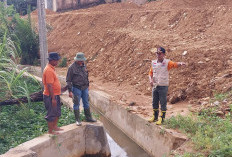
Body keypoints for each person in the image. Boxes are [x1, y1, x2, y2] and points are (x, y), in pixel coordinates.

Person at [148, 47, 186, 125]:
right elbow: (150, 73)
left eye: (160, 53)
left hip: (163, 86)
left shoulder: (167, 63)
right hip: (155, 86)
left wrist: (181, 63)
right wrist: (150, 80)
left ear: (164, 54)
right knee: (154, 102)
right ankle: (155, 117)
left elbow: (175, 64)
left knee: (163, 102)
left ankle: (162, 118)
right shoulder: (154, 63)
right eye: (157, 53)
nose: (158, 55)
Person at [66, 52, 96, 126]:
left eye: (82, 60)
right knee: (76, 104)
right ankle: (78, 120)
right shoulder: (71, 68)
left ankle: (88, 117)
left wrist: (88, 85)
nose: (81, 62)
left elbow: (86, 76)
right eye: (80, 60)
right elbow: (68, 80)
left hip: (85, 88)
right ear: (76, 60)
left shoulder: (84, 66)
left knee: (86, 102)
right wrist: (70, 91)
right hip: (76, 88)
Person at [43, 52, 67, 134]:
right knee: (51, 113)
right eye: (56, 60)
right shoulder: (49, 70)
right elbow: (49, 86)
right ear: (52, 60)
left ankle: (55, 127)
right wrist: (53, 98)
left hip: (56, 94)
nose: (57, 62)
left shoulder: (52, 68)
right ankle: (50, 131)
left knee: (57, 112)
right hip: (50, 96)